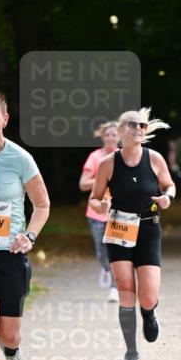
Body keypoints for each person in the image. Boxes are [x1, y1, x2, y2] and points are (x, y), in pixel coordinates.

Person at [89, 108, 175, 360]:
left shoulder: (155, 158)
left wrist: (167, 197)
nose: (140, 129)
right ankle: (131, 350)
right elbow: (94, 197)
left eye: (143, 125)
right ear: (122, 129)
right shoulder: (108, 163)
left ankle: (148, 313)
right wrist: (100, 206)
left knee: (147, 296)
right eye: (134, 125)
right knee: (126, 292)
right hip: (119, 229)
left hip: (148, 229)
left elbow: (169, 185)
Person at [0, 90, 50, 360]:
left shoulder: (19, 158)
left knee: (7, 332)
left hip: (9, 253)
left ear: (5, 119)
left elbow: (42, 204)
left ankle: (12, 352)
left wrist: (29, 235)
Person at [79, 121, 120, 302]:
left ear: (120, 137)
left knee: (117, 251)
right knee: (101, 253)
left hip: (119, 212)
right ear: (102, 137)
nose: (111, 138)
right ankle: (105, 268)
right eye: (108, 135)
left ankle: (114, 287)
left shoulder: (124, 156)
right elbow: (83, 184)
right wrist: (103, 179)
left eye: (114, 134)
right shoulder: (95, 157)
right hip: (96, 213)